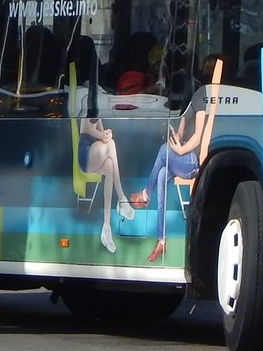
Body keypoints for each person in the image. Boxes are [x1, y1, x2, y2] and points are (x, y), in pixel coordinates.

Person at [129, 104, 210, 263]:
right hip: (181, 160)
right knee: (160, 175)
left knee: (163, 149)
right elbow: (181, 133)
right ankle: (161, 242)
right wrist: (176, 136)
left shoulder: (200, 98)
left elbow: (198, 137)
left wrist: (180, 150)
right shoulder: (188, 102)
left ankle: (145, 194)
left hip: (192, 163)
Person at [79, 116, 134, 253]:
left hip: (94, 154)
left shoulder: (99, 108)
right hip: (85, 154)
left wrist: (106, 134)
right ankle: (121, 199)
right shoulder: (88, 101)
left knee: (110, 165)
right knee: (111, 145)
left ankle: (106, 227)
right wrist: (102, 136)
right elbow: (86, 128)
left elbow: (101, 133)